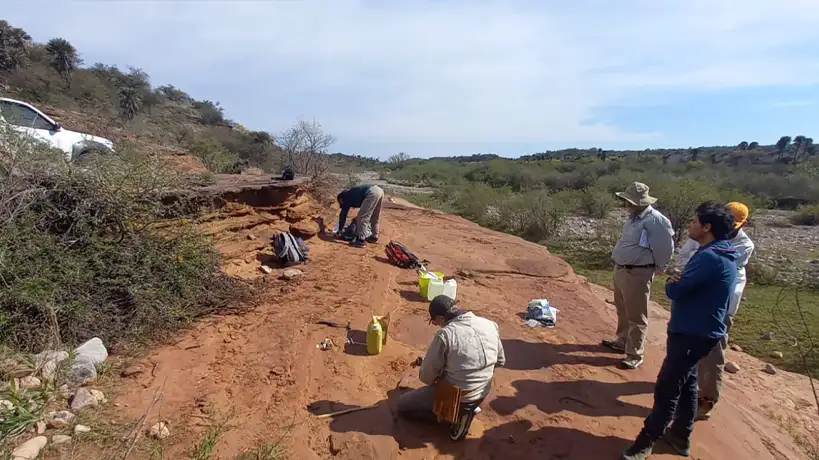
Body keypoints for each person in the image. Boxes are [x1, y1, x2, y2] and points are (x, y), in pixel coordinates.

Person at [621, 202, 738, 460]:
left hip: (692, 333)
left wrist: (674, 283)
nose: (690, 224)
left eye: (695, 221)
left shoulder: (709, 256)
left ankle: (645, 442)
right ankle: (680, 436)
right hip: (700, 332)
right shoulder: (722, 252)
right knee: (688, 384)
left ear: (707, 227)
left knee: (667, 388)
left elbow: (677, 290)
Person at [674, 202, 755, 420]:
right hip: (695, 300)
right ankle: (687, 389)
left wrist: (689, 272)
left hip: (721, 306)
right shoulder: (702, 237)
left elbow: (713, 268)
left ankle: (707, 399)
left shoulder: (743, 245)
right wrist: (689, 271)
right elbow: (684, 258)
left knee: (714, 352)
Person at [398, 295, 505, 433]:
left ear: (441, 318)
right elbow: (500, 361)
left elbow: (427, 378)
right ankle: (471, 408)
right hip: (483, 392)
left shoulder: (445, 334)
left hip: (458, 398)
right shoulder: (490, 324)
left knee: (403, 404)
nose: (437, 325)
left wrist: (435, 370)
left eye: (435, 321)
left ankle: (453, 417)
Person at [602, 182, 675, 369]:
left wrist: (661, 266)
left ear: (641, 202)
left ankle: (635, 353)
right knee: (622, 308)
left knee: (636, 314)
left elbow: (665, 247)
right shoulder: (634, 218)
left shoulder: (656, 220)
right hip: (622, 269)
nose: (626, 204)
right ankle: (623, 340)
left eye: (629, 201)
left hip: (638, 272)